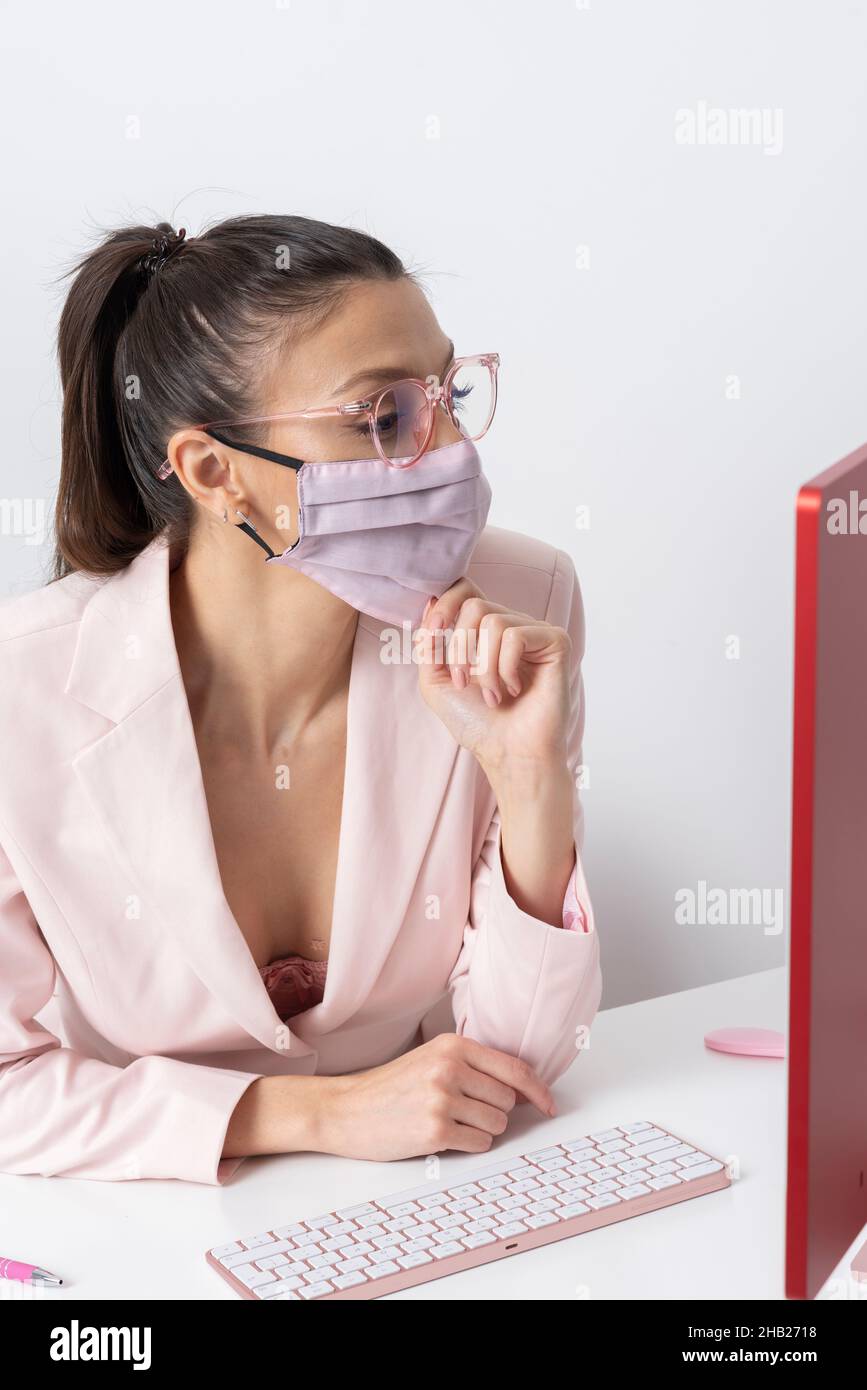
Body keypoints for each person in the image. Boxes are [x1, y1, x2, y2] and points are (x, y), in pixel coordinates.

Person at [0, 215, 601, 1184]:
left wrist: (534, 782)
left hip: (417, 1200)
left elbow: (519, 1068)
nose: (447, 448)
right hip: (139, 1219)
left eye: (447, 394)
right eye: (383, 415)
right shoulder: (20, 692)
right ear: (212, 471)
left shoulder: (522, 608)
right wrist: (315, 1112)